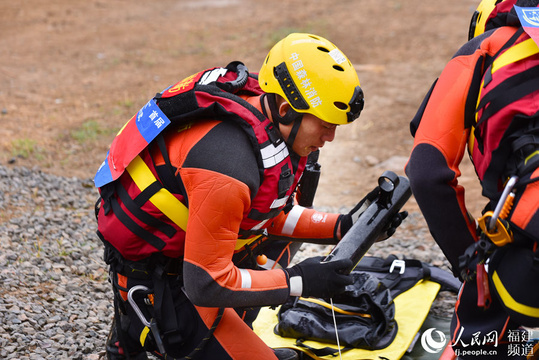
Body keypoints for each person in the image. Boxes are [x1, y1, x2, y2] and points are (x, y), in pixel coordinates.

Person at [93, 33, 388, 360]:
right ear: (287, 109)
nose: (330, 137)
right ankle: (138, 329)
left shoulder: (270, 121)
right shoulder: (229, 165)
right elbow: (206, 283)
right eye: (325, 123)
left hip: (192, 253)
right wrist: (298, 282)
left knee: (274, 259)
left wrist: (347, 226)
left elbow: (267, 214)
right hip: (166, 279)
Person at [406, 1, 539, 359]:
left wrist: (470, 260)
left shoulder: (486, 48)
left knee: (482, 335)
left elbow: (427, 171)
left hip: (528, 226)